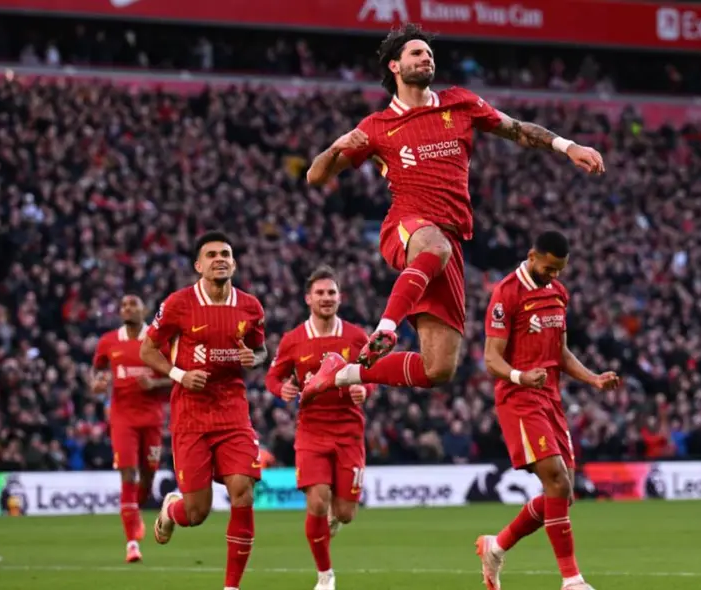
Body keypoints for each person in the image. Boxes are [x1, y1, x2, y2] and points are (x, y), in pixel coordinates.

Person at [303, 23, 605, 400]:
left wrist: (568, 146)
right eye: (416, 53)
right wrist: (336, 148)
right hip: (407, 225)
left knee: (439, 368)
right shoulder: (377, 127)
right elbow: (315, 177)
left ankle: (341, 373)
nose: (426, 57)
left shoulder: (459, 103)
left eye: (429, 53)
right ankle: (385, 327)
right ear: (394, 66)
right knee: (434, 246)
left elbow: (517, 130)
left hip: (449, 240)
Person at [474, 231, 620, 590]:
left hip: (550, 399)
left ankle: (497, 545)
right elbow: (491, 359)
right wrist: (522, 376)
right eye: (549, 268)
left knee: (563, 493)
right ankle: (572, 580)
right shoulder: (506, 293)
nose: (554, 276)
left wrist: (593, 379)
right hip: (519, 398)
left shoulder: (558, 294)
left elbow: (561, 353)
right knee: (555, 479)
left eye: (560, 270)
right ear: (532, 256)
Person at [140, 230, 268, 590]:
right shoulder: (179, 304)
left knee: (242, 491)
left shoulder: (251, 307)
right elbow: (147, 351)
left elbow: (260, 351)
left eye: (225, 253)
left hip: (233, 413)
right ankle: (171, 509)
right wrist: (179, 374)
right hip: (191, 416)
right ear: (199, 265)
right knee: (196, 514)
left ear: (234, 262)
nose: (220, 259)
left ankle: (231, 587)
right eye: (211, 254)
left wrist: (253, 358)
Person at [265, 265, 373, 590]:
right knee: (317, 500)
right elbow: (273, 376)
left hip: (349, 433)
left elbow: (374, 372)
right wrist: (280, 389)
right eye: (320, 293)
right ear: (308, 299)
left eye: (331, 293)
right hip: (311, 432)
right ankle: (325, 576)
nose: (326, 298)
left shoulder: (355, 336)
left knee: (346, 513)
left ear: (340, 297)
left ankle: (334, 521)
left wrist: (365, 389)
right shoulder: (293, 340)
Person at [91, 294, 171, 563]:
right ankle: (132, 542)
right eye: (123, 305)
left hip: (152, 419)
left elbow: (176, 377)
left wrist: (155, 384)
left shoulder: (158, 340)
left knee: (148, 476)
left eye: (132, 305)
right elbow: (98, 371)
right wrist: (98, 384)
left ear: (144, 310)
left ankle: (135, 509)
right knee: (128, 472)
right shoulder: (108, 341)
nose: (127, 308)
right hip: (122, 418)